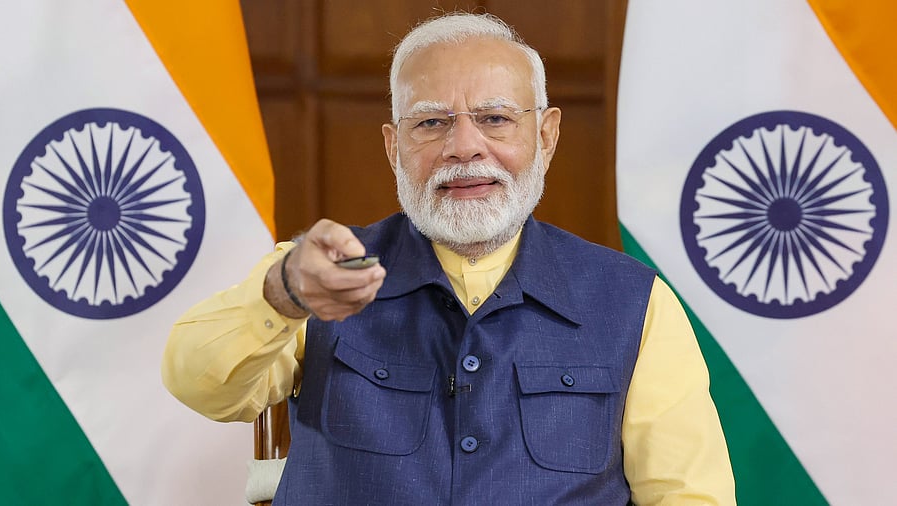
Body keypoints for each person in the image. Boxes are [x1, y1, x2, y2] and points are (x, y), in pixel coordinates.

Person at [162, 12, 736, 505]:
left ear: (547, 135)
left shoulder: (634, 301)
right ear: (394, 146)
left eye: (494, 119)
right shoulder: (318, 275)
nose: (463, 147)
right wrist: (282, 295)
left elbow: (688, 494)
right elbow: (198, 385)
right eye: (432, 122)